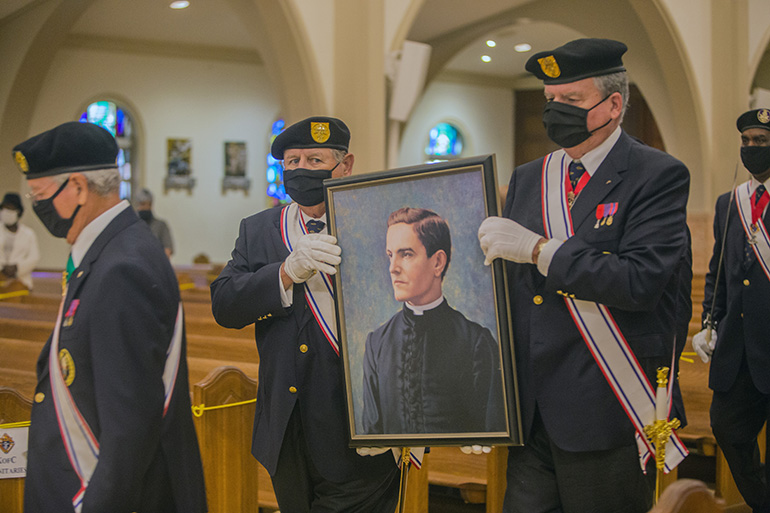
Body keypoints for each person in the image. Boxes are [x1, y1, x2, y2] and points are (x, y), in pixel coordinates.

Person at [477, 38, 691, 513]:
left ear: (612, 104)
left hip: (607, 408)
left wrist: (538, 249)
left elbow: (638, 282)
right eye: (551, 101)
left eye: (572, 101)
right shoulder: (531, 177)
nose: (556, 112)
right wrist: (487, 402)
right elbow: (512, 297)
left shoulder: (657, 175)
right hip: (533, 415)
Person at [15, 121, 207, 512]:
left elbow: (129, 429)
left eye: (40, 195)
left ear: (79, 188)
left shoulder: (122, 268)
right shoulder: (112, 251)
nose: (38, 207)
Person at [210, 116, 400, 512]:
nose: (300, 170)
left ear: (344, 166)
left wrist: (404, 416)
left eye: (314, 160)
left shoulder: (382, 225)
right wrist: (283, 273)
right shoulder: (259, 229)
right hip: (287, 428)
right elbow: (225, 305)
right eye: (292, 161)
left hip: (361, 427)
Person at [362, 206, 504, 435]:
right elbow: (372, 435)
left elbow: (492, 431)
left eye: (406, 254)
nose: (393, 268)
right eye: (390, 255)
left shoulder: (476, 342)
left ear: (437, 262)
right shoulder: (377, 343)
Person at [693, 108, 770, 512]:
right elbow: (718, 267)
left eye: (762, 141)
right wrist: (709, 319)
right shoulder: (730, 203)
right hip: (738, 348)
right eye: (747, 142)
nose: (753, 149)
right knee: (728, 429)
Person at [0, 192, 39, 289]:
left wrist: (16, 268)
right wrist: (3, 268)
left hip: (21, 282)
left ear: (18, 212)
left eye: (11, 209)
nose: (7, 212)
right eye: (5, 208)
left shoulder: (28, 233)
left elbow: (34, 257)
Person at [134, 188, 173, 257]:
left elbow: (168, 250)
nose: (146, 207)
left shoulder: (161, 226)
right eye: (142, 204)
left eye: (149, 204)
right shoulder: (132, 226)